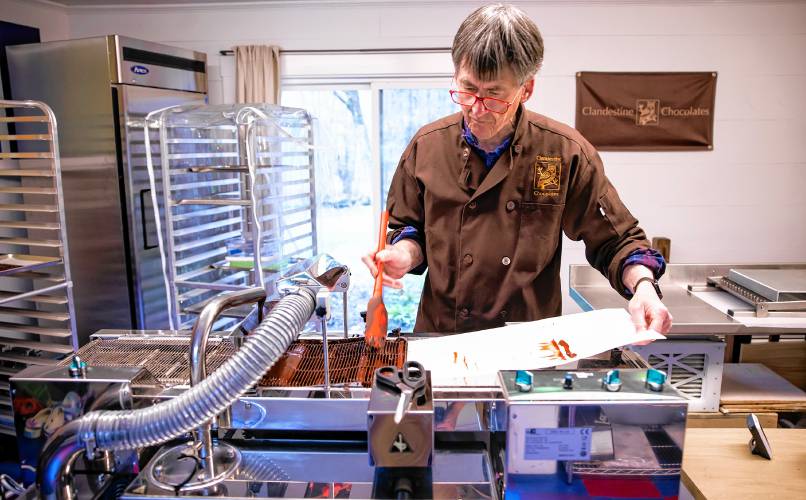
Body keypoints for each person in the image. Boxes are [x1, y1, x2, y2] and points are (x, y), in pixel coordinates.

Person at [362, 3, 672, 336]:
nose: (476, 109)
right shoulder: (427, 147)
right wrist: (402, 255)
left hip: (529, 342)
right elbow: (409, 229)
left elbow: (617, 240)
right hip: (442, 338)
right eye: (467, 89)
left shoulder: (565, 152)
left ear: (526, 89)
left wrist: (643, 286)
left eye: (494, 95)